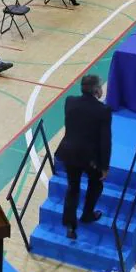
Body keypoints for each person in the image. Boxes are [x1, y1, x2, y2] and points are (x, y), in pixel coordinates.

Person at [55, 74, 111, 239]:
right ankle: (87, 214)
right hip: (90, 158)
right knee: (96, 184)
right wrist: (104, 167)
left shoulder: (70, 101)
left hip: (69, 153)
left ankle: (70, 226)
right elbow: (105, 141)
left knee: (73, 188)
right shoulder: (103, 111)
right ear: (96, 90)